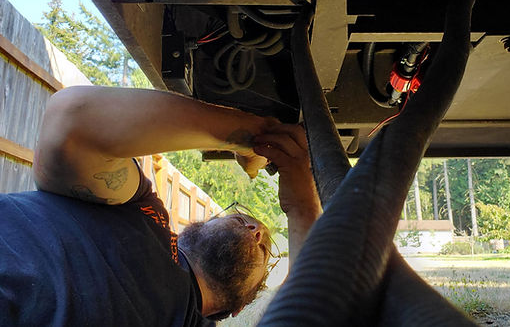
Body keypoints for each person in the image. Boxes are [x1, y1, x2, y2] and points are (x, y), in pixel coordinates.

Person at [0, 86, 321, 326]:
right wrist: (254, 137)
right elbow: (71, 120)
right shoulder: (140, 208)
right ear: (189, 231)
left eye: (266, 253)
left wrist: (303, 207)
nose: (255, 229)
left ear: (234, 310)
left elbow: (316, 308)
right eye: (243, 217)